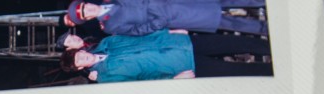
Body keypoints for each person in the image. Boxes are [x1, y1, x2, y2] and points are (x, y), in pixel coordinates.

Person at [60, 29, 272, 83]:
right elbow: (141, 82)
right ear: (79, 68)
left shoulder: (108, 43)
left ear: (82, 50)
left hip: (179, 43)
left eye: (79, 54)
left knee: (236, 42)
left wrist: (169, 32)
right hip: (181, 66)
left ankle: (275, 47)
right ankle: (273, 70)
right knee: (236, 71)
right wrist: (173, 79)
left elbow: (141, 36)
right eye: (78, 62)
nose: (82, 58)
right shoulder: (106, 78)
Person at [66, 0, 268, 37]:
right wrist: (160, 21)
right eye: (86, 13)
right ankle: (264, 28)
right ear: (88, 18)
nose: (89, 9)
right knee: (223, 21)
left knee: (225, 0)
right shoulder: (110, 25)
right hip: (172, 15)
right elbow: (139, 31)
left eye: (86, 6)